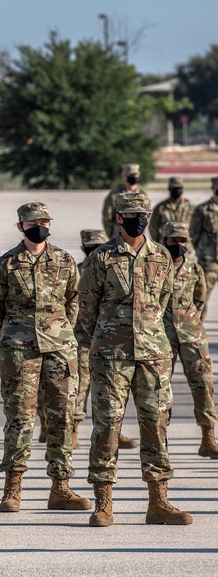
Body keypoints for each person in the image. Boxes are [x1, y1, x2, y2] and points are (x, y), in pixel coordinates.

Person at [79, 191, 192, 527]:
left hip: (153, 354)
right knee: (107, 428)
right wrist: (107, 334)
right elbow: (86, 308)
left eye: (143, 213)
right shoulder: (100, 258)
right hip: (111, 356)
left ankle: (158, 502)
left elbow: (164, 299)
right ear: (118, 218)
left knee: (156, 427)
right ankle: (104, 503)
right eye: (130, 213)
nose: (138, 219)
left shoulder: (160, 256)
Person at [0, 202, 89, 512]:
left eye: (44, 221)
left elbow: (74, 301)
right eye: (32, 222)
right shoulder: (6, 264)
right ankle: (13, 488)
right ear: (21, 226)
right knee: (19, 419)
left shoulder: (64, 260)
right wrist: (16, 333)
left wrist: (59, 332)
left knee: (62, 417)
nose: (39, 226)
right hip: (20, 351)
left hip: (59, 348)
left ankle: (61, 488)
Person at [161, 221, 218, 460]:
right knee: (159, 388)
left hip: (192, 334)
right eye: (174, 240)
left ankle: (208, 438)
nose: (179, 244)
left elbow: (200, 299)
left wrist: (189, 320)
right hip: (162, 334)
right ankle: (159, 441)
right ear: (165, 241)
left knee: (203, 384)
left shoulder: (195, 269)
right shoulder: (155, 268)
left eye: (182, 240)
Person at [70, 229, 109, 447]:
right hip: (82, 338)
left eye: (98, 246)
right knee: (81, 384)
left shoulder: (112, 269)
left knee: (107, 388)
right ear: (84, 248)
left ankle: (110, 431)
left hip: (107, 338)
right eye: (91, 247)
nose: (94, 251)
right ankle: (73, 428)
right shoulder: (76, 271)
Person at [189, 176, 218, 306]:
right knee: (202, 295)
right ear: (213, 188)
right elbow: (194, 233)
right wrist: (202, 250)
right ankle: (198, 323)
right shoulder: (203, 209)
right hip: (208, 259)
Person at [101, 163, 145, 238]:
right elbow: (107, 218)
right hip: (119, 236)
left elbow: (145, 217)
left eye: (135, 175)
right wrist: (112, 236)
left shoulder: (143, 195)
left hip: (138, 237)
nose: (133, 177)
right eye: (131, 175)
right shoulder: (114, 195)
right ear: (124, 176)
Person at [149, 177, 194, 243]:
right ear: (169, 188)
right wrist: (158, 243)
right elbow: (153, 227)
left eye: (179, 188)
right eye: (175, 188)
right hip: (167, 246)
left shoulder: (190, 207)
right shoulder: (161, 207)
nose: (177, 190)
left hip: (186, 245)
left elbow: (196, 227)